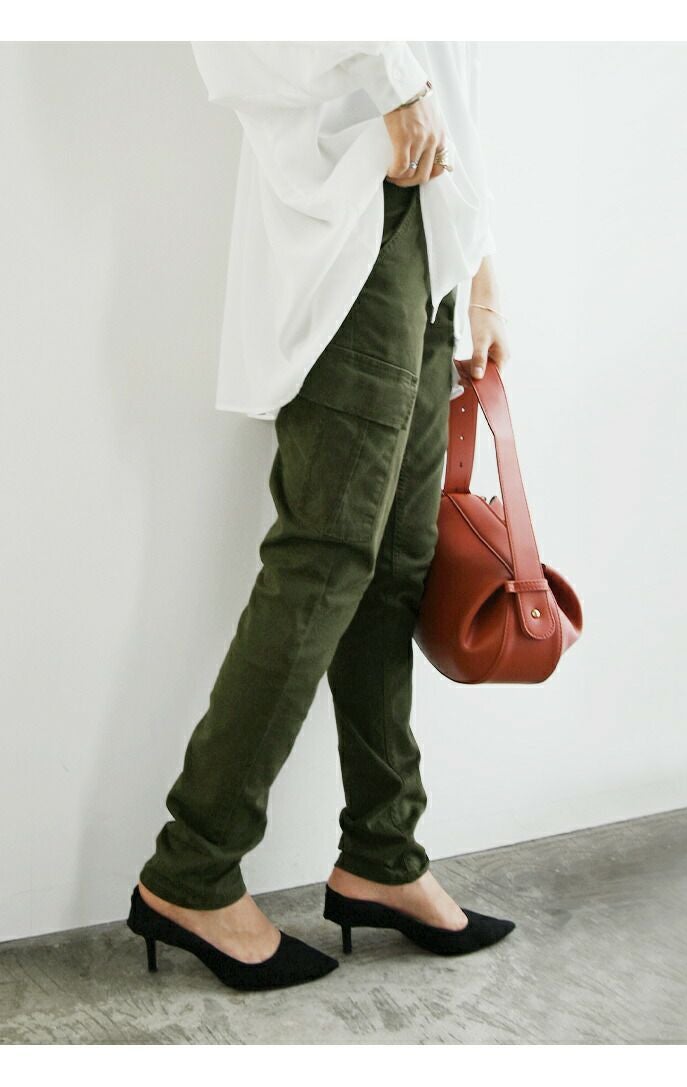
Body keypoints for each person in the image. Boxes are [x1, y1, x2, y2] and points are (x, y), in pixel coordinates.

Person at [127, 42, 513, 993]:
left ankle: (383, 852)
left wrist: (480, 271)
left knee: (398, 561)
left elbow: (453, 73)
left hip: (430, 234)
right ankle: (193, 864)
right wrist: (397, 82)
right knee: (326, 553)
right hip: (355, 220)